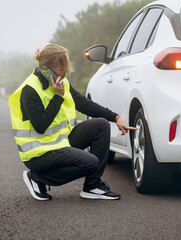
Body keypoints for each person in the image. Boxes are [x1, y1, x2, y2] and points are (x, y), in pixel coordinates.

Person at [8, 44, 136, 201]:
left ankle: (92, 185)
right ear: (46, 69)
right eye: (62, 69)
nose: (66, 72)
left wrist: (116, 118)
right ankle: (37, 178)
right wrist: (57, 97)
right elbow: (40, 126)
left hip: (58, 143)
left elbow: (84, 104)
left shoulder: (61, 81)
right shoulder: (31, 89)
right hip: (39, 154)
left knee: (101, 125)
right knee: (91, 163)